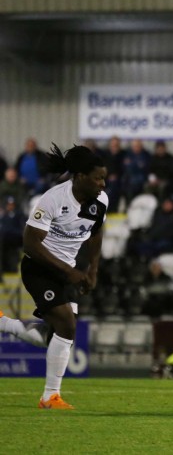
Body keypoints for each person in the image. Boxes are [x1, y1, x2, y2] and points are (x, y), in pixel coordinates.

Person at [0, 143, 107, 409]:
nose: (102, 184)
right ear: (80, 177)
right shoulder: (53, 199)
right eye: (98, 178)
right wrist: (70, 271)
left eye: (104, 178)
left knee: (53, 336)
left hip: (66, 270)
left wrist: (92, 270)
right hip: (39, 268)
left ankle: (3, 324)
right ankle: (50, 396)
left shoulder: (100, 200)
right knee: (68, 326)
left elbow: (96, 233)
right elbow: (30, 244)